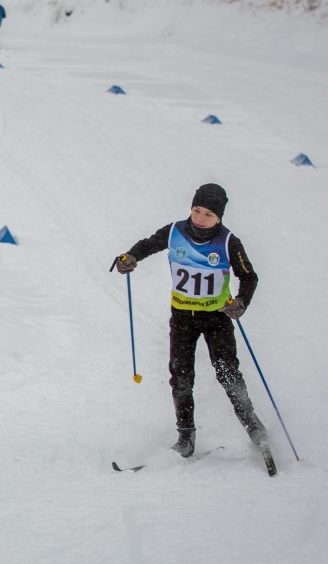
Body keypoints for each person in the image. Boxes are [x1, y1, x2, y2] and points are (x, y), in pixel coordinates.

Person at [111, 184, 274, 468]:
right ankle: (185, 438)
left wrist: (241, 302)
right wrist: (129, 257)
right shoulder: (175, 232)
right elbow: (148, 244)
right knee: (181, 377)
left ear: (219, 217)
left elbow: (249, 276)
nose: (200, 218)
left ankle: (255, 428)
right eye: (196, 210)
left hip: (217, 318)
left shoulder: (228, 242)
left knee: (227, 374)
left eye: (208, 214)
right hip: (183, 317)